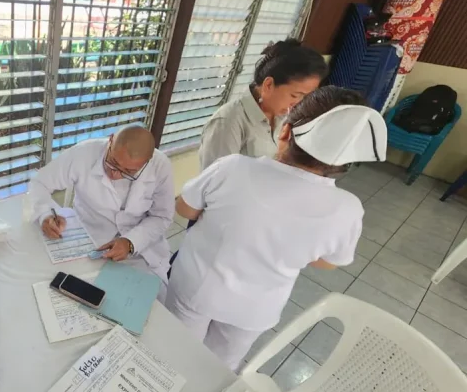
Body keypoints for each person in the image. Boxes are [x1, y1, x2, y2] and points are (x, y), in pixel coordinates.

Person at [166, 86, 387, 371]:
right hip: (256, 309)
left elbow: (185, 208)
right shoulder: (348, 209)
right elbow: (328, 263)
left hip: (196, 288)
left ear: (285, 132)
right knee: (218, 367)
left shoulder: (232, 168)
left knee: (174, 352)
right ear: (345, 161)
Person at [183, 38, 327, 229]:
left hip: (260, 214)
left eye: (306, 97)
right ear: (268, 85)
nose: (299, 103)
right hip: (225, 218)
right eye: (295, 95)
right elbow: (215, 185)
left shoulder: (284, 116)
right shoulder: (229, 122)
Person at [28, 126, 174, 280]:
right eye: (113, 162)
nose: (115, 174)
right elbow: (39, 182)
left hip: (142, 249)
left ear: (148, 161)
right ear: (110, 140)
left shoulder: (160, 166)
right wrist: (45, 214)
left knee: (148, 298)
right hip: (90, 242)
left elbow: (161, 217)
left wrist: (131, 242)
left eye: (128, 172)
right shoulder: (84, 153)